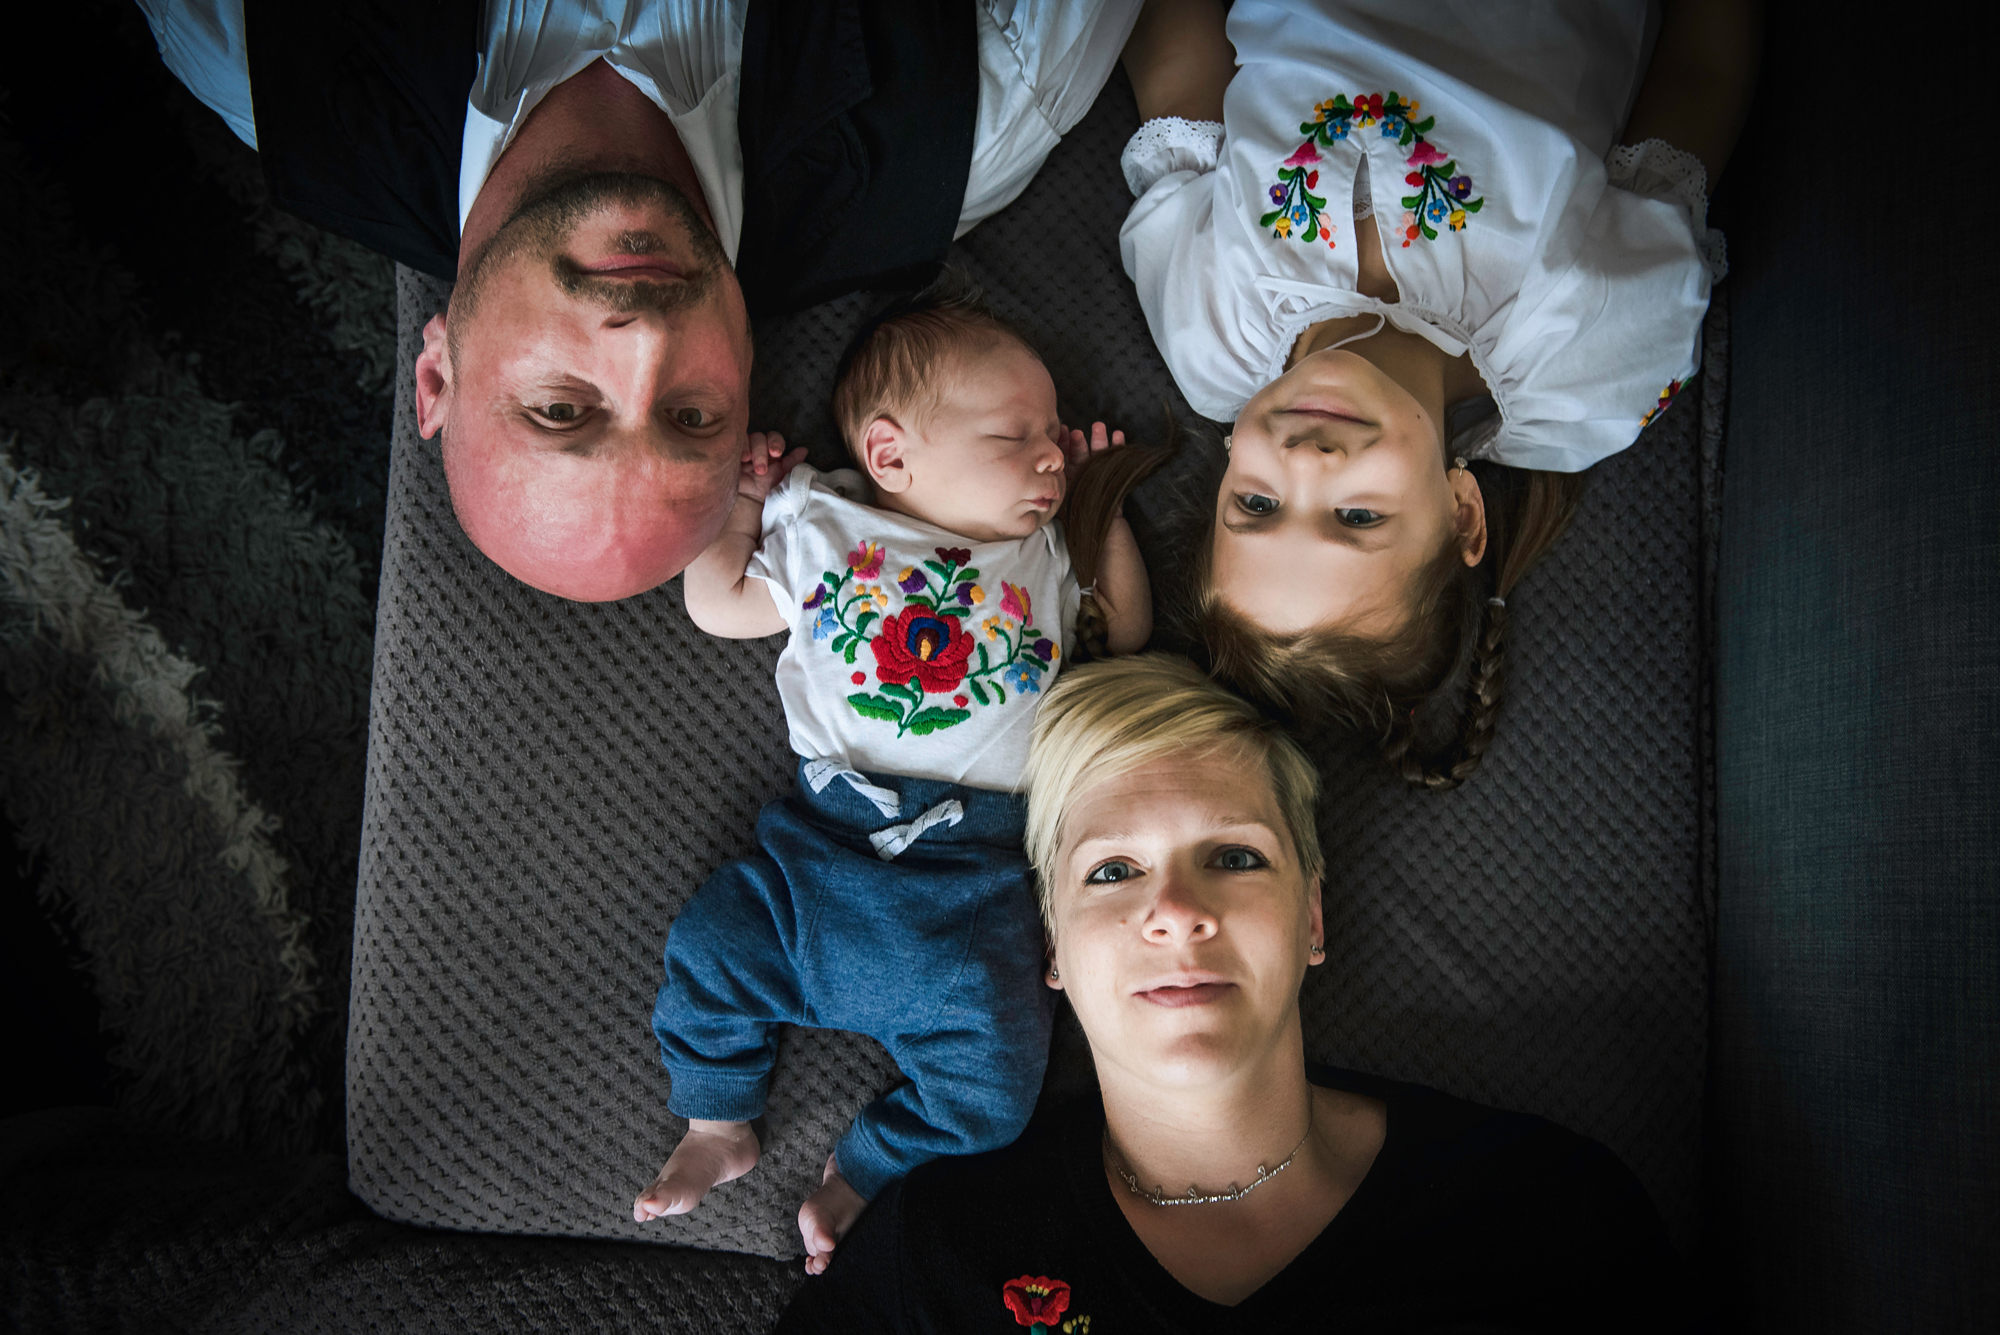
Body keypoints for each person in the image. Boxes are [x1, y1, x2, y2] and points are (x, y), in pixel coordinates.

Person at [775, 652, 1688, 1329]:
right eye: (1112, 870)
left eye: (1235, 856)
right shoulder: (936, 1245)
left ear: (1313, 919)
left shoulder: (1546, 1216)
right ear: (1050, 943)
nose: (1174, 911)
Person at [136, 0, 1146, 600]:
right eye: (690, 414)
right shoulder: (962, 132)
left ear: (440, 367)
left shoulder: (259, 55)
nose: (643, 339)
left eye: (561, 408)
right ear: (747, 381)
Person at [633, 279, 1155, 1272]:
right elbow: (720, 606)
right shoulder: (825, 524)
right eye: (1016, 436)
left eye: (1053, 437)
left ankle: (863, 1170)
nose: (1050, 454)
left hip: (975, 895)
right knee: (711, 942)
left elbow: (1125, 633)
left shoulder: (1044, 552)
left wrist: (1096, 511)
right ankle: (716, 1122)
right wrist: (741, 509)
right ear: (887, 453)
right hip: (816, 865)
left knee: (997, 1091)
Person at [1114, 0, 1756, 787]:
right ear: (1463, 513)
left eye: (1256, 505)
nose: (1307, 463)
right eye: (1357, 516)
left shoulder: (1208, 326)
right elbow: (1704, 69)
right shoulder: (1584, 358)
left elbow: (1179, 56)